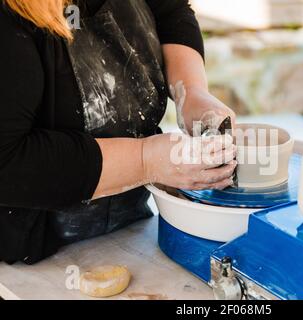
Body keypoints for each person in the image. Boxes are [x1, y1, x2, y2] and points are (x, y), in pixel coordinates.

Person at [0, 0, 236, 264]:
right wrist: (146, 160)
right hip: (24, 253)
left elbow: (170, 10)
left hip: (126, 228)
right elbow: (6, 161)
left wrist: (191, 91)